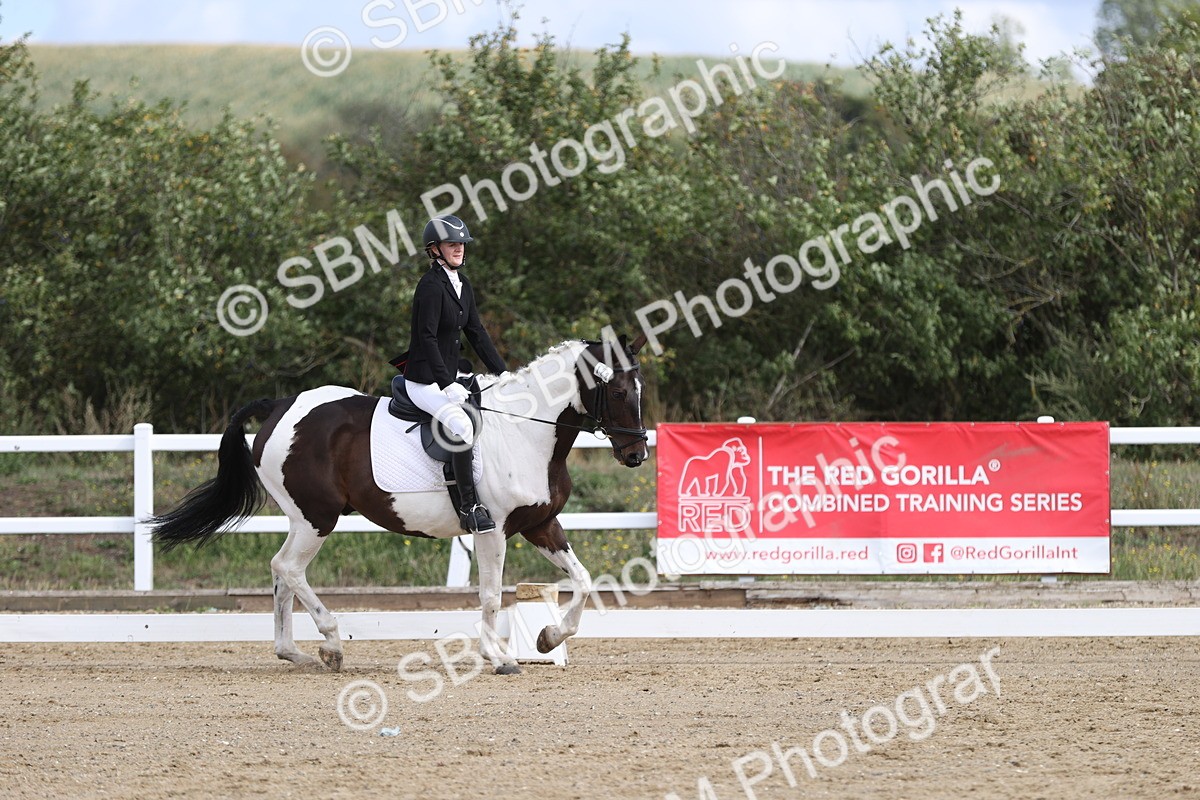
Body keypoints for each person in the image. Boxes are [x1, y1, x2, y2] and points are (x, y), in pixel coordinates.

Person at [402, 215, 507, 533]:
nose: (459, 249)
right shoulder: (430, 287)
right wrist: (446, 384)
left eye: (461, 243)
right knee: (462, 425)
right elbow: (427, 338)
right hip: (423, 380)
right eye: (452, 244)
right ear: (435, 250)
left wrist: (503, 374)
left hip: (451, 374)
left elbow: (477, 332)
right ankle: (469, 507)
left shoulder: (463, 285)